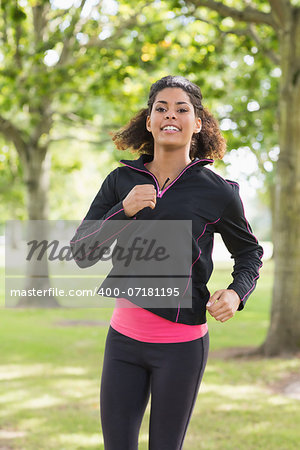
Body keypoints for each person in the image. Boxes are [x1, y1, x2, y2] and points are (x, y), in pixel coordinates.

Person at [70, 75, 263, 449]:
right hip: (123, 341)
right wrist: (123, 211)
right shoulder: (120, 180)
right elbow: (81, 252)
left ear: (198, 122)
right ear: (149, 120)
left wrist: (237, 294)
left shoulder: (218, 191)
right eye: (161, 108)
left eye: (181, 109)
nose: (169, 115)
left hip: (181, 347)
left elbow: (250, 253)